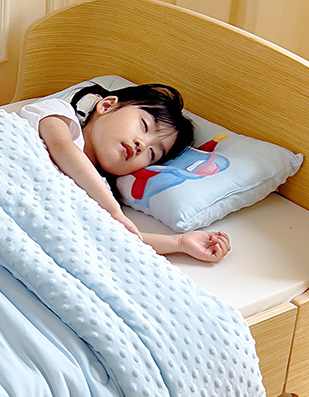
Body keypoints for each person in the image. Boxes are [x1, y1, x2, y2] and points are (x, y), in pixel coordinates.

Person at [19, 83, 230, 263]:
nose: (141, 145)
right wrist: (112, 210)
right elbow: (62, 148)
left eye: (152, 154)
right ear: (107, 105)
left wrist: (179, 243)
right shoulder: (60, 114)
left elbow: (109, 235)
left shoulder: (100, 192)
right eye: (144, 126)